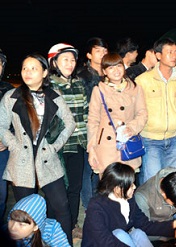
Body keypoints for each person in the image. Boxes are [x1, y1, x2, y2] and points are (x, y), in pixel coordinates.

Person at [0, 53, 76, 243]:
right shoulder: (11, 97)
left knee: (61, 207)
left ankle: (62, 242)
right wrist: (13, 144)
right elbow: (1, 125)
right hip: (21, 161)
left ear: (44, 72)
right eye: (25, 68)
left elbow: (70, 123)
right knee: (23, 214)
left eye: (34, 68)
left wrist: (55, 146)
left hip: (47, 160)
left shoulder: (54, 95)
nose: (28, 72)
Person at [82, 162, 176, 246]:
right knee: (120, 234)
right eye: (131, 185)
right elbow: (106, 242)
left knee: (138, 233)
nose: (135, 187)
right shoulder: (96, 207)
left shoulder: (129, 200)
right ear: (117, 189)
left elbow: (145, 225)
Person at [47, 42, 89, 237]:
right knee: (55, 189)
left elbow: (86, 112)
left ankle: (71, 225)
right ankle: (50, 225)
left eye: (73, 60)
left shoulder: (79, 83)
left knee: (75, 187)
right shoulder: (48, 86)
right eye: (65, 60)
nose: (70, 64)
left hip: (78, 144)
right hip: (57, 147)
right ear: (54, 62)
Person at [135, 38, 176, 185]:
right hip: (151, 139)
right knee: (152, 181)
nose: (174, 56)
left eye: (175, 52)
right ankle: (151, 209)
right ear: (158, 55)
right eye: (169, 52)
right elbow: (138, 109)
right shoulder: (143, 80)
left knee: (172, 182)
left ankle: (169, 209)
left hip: (174, 138)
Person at [87, 53, 148, 174]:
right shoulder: (99, 90)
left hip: (128, 143)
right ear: (104, 71)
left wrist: (131, 128)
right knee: (109, 186)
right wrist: (92, 150)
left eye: (119, 66)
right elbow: (93, 121)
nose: (116, 70)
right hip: (106, 147)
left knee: (127, 186)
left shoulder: (135, 88)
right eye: (111, 67)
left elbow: (142, 113)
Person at [77, 37, 108, 214]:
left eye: (105, 51)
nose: (103, 54)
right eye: (98, 51)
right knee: (88, 169)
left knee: (103, 167)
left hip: (107, 130)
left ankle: (100, 201)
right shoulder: (82, 76)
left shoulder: (110, 73)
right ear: (89, 54)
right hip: (89, 128)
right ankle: (89, 205)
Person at [0, 48, 13, 225]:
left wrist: (6, 139)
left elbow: (16, 121)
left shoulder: (8, 90)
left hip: (2, 150)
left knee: (1, 195)